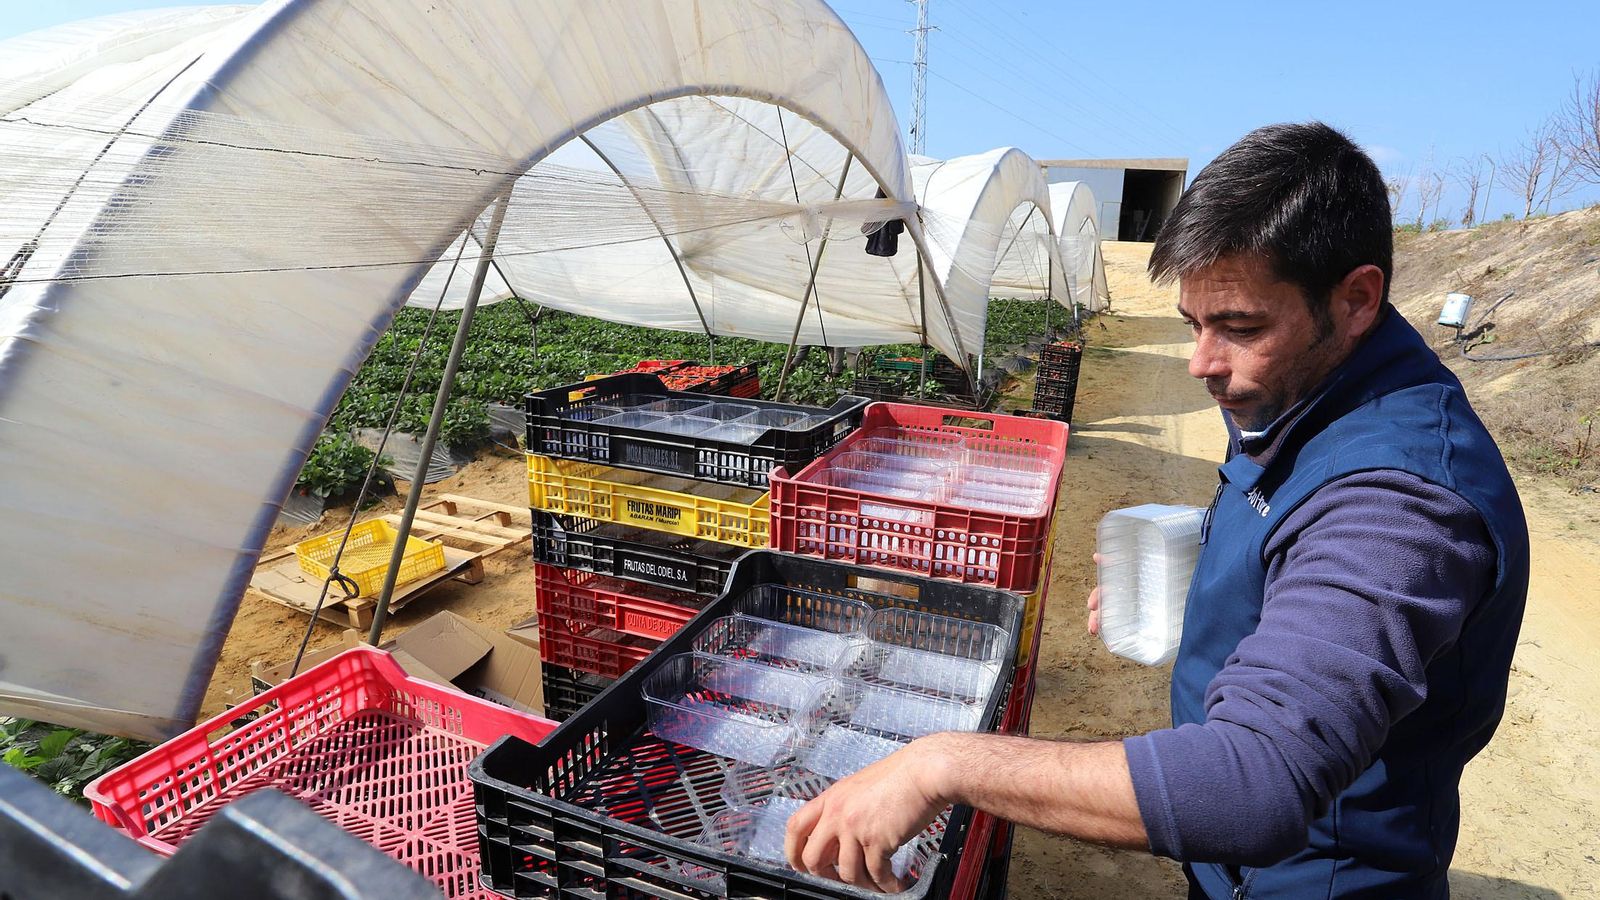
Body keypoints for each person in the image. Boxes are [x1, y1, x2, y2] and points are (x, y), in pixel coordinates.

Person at [783, 122, 1530, 898]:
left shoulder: (1401, 505)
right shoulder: (1306, 387)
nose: (1200, 361)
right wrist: (1212, 578)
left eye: (1240, 327)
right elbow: (1286, 527)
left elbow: (1255, 785)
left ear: (1357, 299)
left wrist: (945, 763)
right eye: (1193, 324)